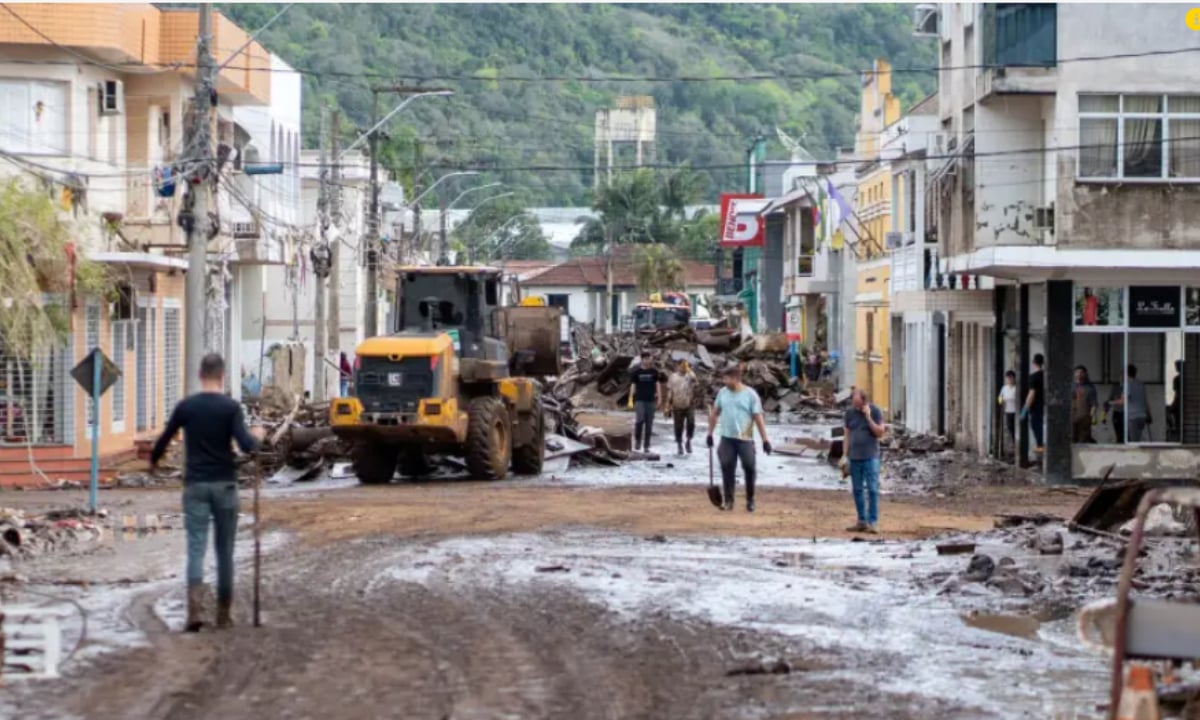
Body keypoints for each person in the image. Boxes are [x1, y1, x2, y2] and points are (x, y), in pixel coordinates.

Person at [151, 353, 265, 632]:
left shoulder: (186, 407)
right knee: (225, 551)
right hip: (225, 485)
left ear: (201, 375)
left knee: (196, 548)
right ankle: (223, 615)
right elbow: (247, 445)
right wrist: (258, 436)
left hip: (196, 486)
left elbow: (164, 440)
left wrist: (153, 463)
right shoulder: (230, 408)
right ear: (222, 376)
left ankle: (194, 612)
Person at [706, 365, 772, 512]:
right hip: (727, 438)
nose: (724, 381)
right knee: (726, 466)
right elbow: (715, 413)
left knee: (749, 467)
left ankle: (750, 499)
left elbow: (758, 418)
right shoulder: (722, 393)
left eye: (726, 378)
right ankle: (729, 500)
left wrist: (765, 440)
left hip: (745, 439)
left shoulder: (750, 395)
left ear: (735, 378)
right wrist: (710, 434)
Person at [844, 388, 885, 533]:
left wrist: (868, 418)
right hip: (854, 457)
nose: (855, 405)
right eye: (853, 401)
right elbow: (847, 435)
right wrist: (845, 455)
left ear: (864, 400)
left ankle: (873, 521)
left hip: (870, 456)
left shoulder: (875, 411)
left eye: (857, 401)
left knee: (873, 489)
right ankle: (861, 520)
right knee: (857, 490)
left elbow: (880, 433)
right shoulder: (849, 413)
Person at [628, 351, 663, 452]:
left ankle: (647, 445)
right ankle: (638, 441)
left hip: (650, 400)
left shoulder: (654, 372)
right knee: (639, 420)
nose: (648, 360)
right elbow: (633, 386)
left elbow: (658, 385)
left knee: (649, 423)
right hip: (639, 400)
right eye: (646, 358)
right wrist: (630, 399)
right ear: (642, 360)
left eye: (649, 358)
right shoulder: (636, 372)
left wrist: (660, 398)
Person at [1110, 364, 1150, 443]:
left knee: (1131, 441)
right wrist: (1148, 414)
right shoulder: (1141, 384)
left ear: (1125, 374)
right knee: (1136, 439)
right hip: (1142, 416)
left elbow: (1123, 401)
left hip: (1132, 416)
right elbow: (1145, 401)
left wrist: (1111, 402)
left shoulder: (1128, 385)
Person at [665, 359, 697, 455]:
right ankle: (679, 444)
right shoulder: (673, 377)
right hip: (677, 404)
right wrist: (667, 405)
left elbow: (696, 381)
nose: (683, 368)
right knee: (678, 426)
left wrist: (689, 370)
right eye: (682, 365)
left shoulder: (690, 376)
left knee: (691, 423)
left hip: (689, 403)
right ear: (678, 366)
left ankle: (688, 440)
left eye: (685, 366)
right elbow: (670, 391)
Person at [1020, 353, 1045, 453]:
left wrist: (1024, 409)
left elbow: (1031, 394)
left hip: (1036, 406)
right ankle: (1042, 446)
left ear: (1034, 363)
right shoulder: (1047, 376)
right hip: (1046, 405)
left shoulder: (1033, 377)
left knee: (1035, 425)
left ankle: (1040, 446)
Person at [1071, 365, 1098, 444]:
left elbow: (1094, 404)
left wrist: (1092, 417)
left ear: (1085, 374)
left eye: (1081, 372)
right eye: (1077, 372)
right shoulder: (1071, 386)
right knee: (1072, 441)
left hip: (1084, 419)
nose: (1079, 374)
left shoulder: (1090, 388)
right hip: (1072, 419)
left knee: (1083, 441)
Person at [998, 370, 1019, 455]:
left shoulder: (1016, 388)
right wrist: (1000, 401)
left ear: (1014, 378)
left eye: (1011, 378)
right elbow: (1000, 397)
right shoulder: (1004, 388)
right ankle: (1013, 447)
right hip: (1007, 411)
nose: (1009, 379)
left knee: (1016, 430)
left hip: (1016, 412)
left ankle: (1016, 448)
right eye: (1008, 378)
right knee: (1010, 429)